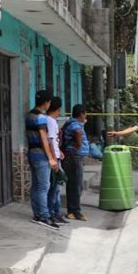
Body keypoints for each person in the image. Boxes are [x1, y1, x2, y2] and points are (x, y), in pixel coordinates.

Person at [26, 90, 60, 229]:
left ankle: (37, 214)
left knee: (36, 185)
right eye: (49, 102)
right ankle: (44, 216)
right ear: (46, 102)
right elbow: (44, 139)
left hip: (31, 153)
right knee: (43, 186)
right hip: (40, 155)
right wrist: (51, 158)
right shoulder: (41, 118)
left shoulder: (29, 115)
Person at [62, 104, 90, 221]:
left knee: (74, 184)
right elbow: (78, 133)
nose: (86, 116)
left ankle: (72, 210)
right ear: (81, 114)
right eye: (85, 114)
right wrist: (77, 147)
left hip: (73, 157)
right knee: (76, 185)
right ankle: (75, 211)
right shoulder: (75, 125)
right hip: (74, 158)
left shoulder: (72, 122)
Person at [45, 97, 67, 225]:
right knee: (54, 187)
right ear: (58, 109)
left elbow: (54, 142)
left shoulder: (48, 120)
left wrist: (59, 151)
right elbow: (51, 140)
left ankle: (56, 213)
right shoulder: (51, 122)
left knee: (57, 187)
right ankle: (52, 213)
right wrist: (54, 158)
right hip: (55, 159)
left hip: (56, 156)